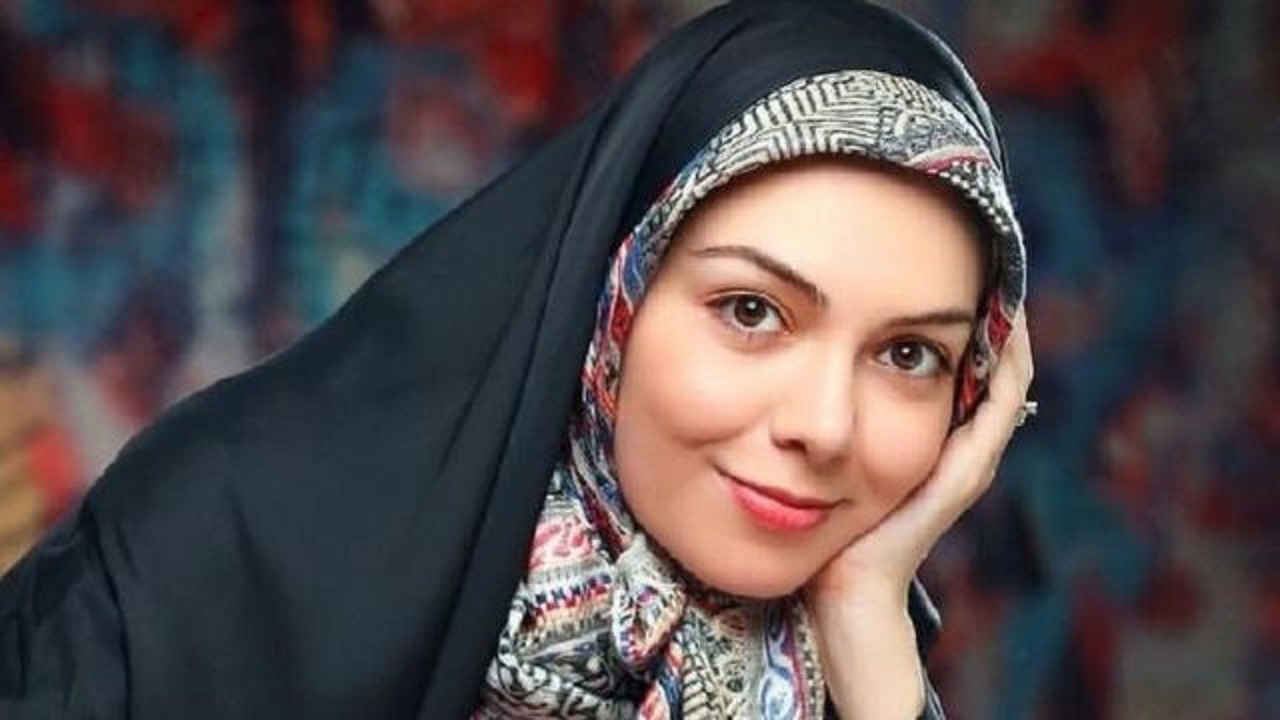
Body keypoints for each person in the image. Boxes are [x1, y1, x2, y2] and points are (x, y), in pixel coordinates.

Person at [0, 1, 1033, 717]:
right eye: (751, 311)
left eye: (908, 353)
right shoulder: (221, 541)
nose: (825, 425)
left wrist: (868, 636)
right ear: (615, 291)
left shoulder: (858, 666)